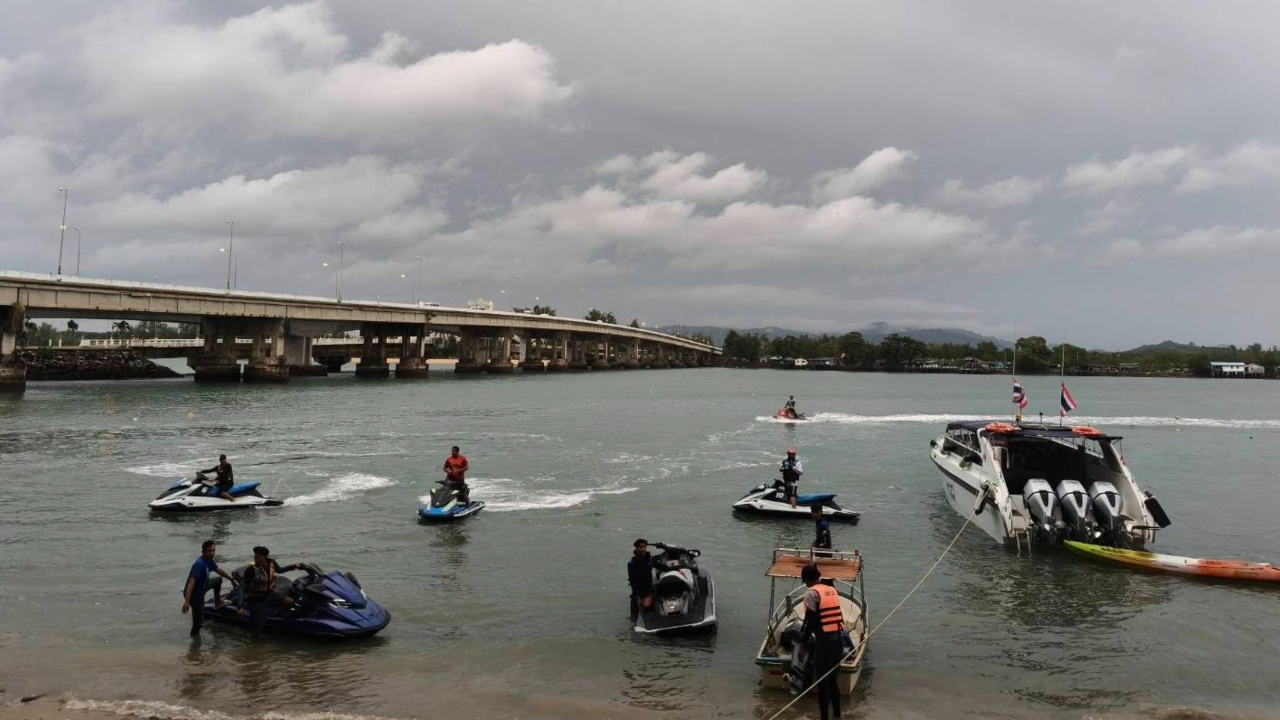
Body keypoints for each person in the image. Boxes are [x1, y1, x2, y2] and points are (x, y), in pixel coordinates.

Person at [800, 564, 845, 720]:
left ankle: (824, 717)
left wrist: (803, 642)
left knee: (821, 681)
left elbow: (811, 620)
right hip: (839, 638)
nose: (805, 584)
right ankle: (837, 715)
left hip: (826, 640)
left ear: (807, 579)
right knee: (832, 680)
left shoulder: (811, 593)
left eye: (804, 580)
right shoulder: (831, 590)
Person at [237, 546, 302, 632]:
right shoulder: (251, 569)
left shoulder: (271, 563)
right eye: (255, 557)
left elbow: (279, 570)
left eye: (258, 558)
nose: (256, 560)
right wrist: (240, 606)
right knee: (258, 625)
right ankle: (254, 641)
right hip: (256, 598)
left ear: (265, 557)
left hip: (269, 594)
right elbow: (242, 587)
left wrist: (291, 567)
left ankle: (276, 618)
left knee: (289, 601)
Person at [181, 540, 238, 638]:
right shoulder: (199, 564)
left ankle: (218, 602)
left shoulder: (209, 561)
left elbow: (218, 570)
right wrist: (187, 602)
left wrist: (231, 579)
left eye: (213, 550)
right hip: (195, 595)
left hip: (203, 586)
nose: (212, 553)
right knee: (198, 622)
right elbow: (191, 582)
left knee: (218, 580)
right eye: (209, 551)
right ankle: (194, 644)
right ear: (203, 552)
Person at [627, 538, 657, 620]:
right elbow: (632, 580)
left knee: (647, 605)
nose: (643, 549)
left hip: (648, 590)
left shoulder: (650, 559)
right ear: (636, 548)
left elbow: (662, 567)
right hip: (638, 590)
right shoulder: (631, 562)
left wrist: (678, 569)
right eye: (641, 547)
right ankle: (633, 620)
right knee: (635, 604)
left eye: (644, 546)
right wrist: (637, 596)